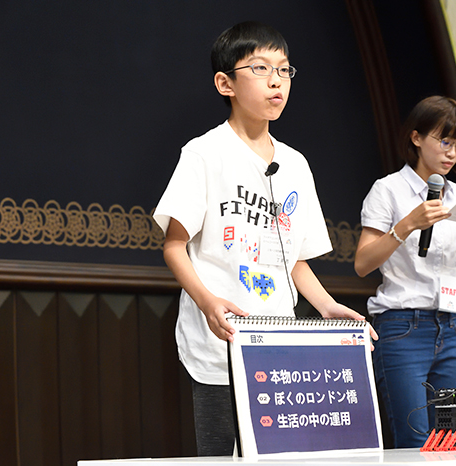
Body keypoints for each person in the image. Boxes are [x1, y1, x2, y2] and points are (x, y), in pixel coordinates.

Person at [153, 21, 370, 456]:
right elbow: (174, 246)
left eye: (284, 70)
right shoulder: (203, 153)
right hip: (220, 340)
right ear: (225, 83)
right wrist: (208, 303)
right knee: (219, 456)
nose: (276, 80)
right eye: (260, 68)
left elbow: (295, 260)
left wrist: (327, 306)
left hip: (278, 344)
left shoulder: (296, 165)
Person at [354, 96, 456, 448]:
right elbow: (363, 264)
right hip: (402, 327)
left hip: (451, 326)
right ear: (416, 137)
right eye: (445, 141)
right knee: (414, 441)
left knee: (453, 440)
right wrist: (407, 224)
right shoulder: (388, 190)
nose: (452, 153)